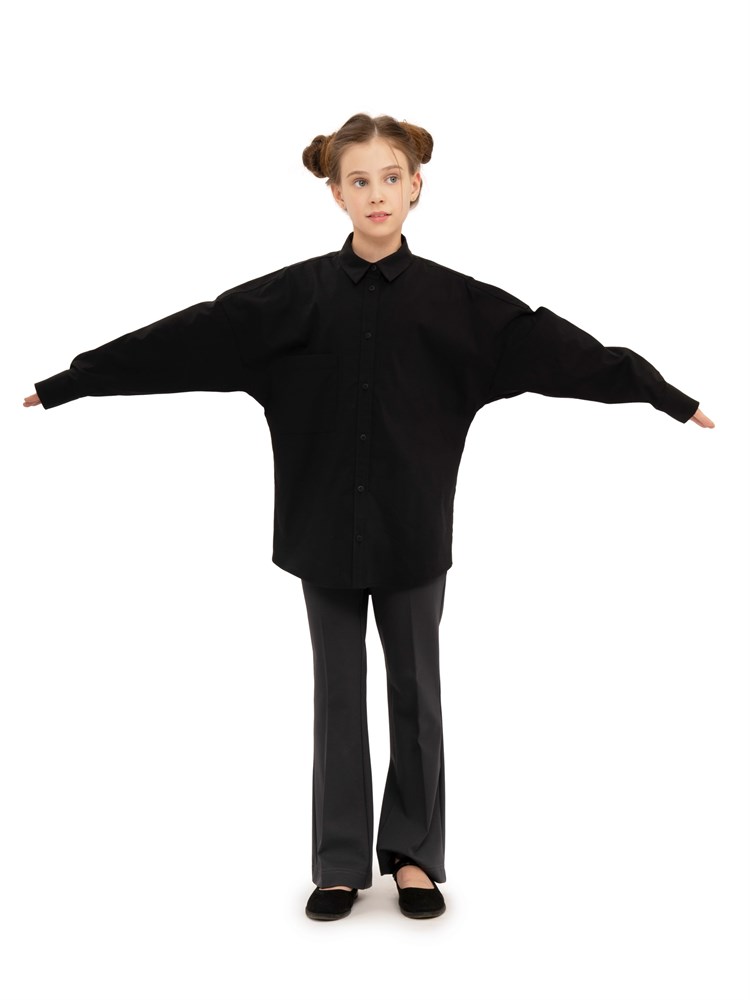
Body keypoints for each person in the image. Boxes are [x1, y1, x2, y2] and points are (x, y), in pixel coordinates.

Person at [24, 112, 715, 923]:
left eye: (391, 178)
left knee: (416, 691)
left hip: (414, 531)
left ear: (416, 186)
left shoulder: (463, 306)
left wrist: (663, 396)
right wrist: (72, 382)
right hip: (320, 531)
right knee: (337, 694)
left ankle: (414, 857)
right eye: (360, 181)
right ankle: (340, 863)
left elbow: (560, 350)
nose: (377, 194)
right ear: (336, 193)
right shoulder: (288, 299)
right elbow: (189, 336)